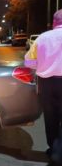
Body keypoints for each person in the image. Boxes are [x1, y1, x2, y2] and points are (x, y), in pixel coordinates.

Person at [24, 9, 62, 157]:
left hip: (46, 84)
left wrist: (43, 64)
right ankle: (58, 156)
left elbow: (29, 62)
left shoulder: (42, 38)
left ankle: (53, 149)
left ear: (54, 23)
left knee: (50, 118)